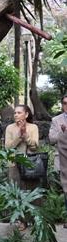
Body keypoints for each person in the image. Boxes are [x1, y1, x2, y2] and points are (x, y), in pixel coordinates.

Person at [5, 105, 39, 187]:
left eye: (19, 113)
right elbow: (8, 147)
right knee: (15, 190)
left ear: (26, 114)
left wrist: (26, 137)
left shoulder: (33, 127)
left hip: (29, 162)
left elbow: (35, 147)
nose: (16, 115)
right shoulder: (10, 128)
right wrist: (19, 136)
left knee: (29, 189)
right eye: (15, 113)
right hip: (13, 163)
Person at [49, 95, 67, 228]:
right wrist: (63, 132)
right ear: (62, 105)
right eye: (65, 103)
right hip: (63, 159)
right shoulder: (56, 120)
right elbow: (52, 139)